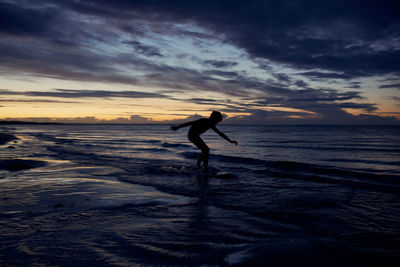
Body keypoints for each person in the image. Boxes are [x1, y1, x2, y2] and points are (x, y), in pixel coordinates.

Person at [171, 111, 238, 169]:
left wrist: (230, 141)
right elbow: (189, 123)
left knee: (205, 150)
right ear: (213, 118)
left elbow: (220, 133)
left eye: (217, 122)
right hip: (192, 136)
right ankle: (204, 167)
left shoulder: (211, 124)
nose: (216, 123)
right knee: (206, 150)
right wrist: (178, 127)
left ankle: (199, 165)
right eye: (216, 121)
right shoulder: (203, 121)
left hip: (195, 136)